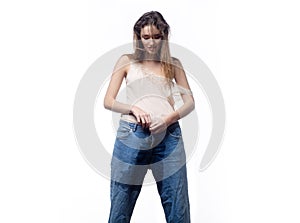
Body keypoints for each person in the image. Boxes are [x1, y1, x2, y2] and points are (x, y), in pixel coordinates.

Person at [104, 11, 195, 223]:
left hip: (169, 137)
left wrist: (168, 119)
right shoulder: (126, 61)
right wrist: (133, 109)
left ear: (164, 37)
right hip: (132, 135)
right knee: (121, 202)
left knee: (177, 203)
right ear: (138, 37)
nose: (152, 42)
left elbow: (190, 102)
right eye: (146, 37)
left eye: (156, 36)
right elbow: (108, 101)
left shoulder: (173, 64)